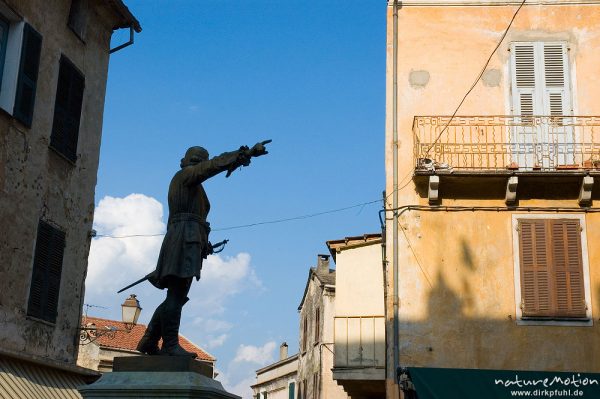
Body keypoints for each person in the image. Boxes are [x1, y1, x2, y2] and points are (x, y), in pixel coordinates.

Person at [136, 142, 269, 356]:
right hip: (183, 239)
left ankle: (150, 340)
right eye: (200, 159)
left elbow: (194, 219)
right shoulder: (185, 176)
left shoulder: (191, 186)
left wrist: (203, 243)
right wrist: (244, 153)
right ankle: (169, 345)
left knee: (176, 295)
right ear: (190, 161)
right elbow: (211, 168)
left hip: (188, 240)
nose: (202, 163)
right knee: (176, 294)